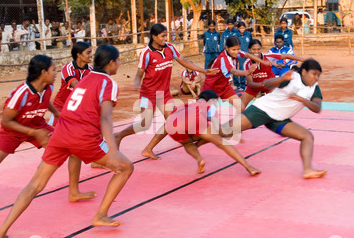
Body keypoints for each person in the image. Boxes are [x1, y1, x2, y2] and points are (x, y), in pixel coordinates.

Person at [0, 45, 134, 238]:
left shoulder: (85, 79)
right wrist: (112, 148)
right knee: (126, 167)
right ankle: (100, 214)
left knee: (35, 184)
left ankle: (1, 231)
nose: (119, 64)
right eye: (118, 61)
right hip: (83, 137)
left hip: (61, 134)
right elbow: (105, 118)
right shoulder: (107, 83)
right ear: (111, 63)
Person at [0, 55, 59, 221]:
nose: (56, 73)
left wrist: (57, 113)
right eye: (53, 69)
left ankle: (73, 191)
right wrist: (33, 133)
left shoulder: (48, 87)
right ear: (43, 72)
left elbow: (45, 100)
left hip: (37, 125)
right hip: (12, 131)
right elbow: (6, 121)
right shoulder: (20, 94)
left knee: (66, 147)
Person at [114, 23, 218, 160]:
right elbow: (139, 73)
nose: (165, 38)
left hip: (164, 93)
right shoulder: (146, 53)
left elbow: (184, 61)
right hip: (148, 93)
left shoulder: (170, 48)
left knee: (172, 122)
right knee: (144, 124)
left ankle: (148, 149)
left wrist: (204, 71)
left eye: (166, 35)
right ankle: (119, 135)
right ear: (154, 37)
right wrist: (136, 84)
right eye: (162, 36)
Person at [220, 59, 327, 180]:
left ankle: (308, 170)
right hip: (262, 110)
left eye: (318, 75)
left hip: (279, 119)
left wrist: (302, 99)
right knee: (224, 131)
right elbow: (267, 84)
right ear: (304, 71)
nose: (316, 78)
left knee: (307, 136)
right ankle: (198, 137)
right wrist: (281, 79)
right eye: (314, 74)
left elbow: (317, 108)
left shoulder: (314, 88)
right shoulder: (292, 78)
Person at [165, 90, 261, 176]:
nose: (217, 104)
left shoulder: (187, 104)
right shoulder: (209, 106)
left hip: (171, 124)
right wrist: (230, 134)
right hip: (193, 118)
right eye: (217, 102)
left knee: (187, 143)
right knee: (221, 142)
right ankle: (249, 167)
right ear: (212, 100)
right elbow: (218, 129)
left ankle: (199, 159)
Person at [50, 41, 97, 201]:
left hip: (76, 112)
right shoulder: (68, 69)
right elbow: (78, 87)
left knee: (73, 151)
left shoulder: (90, 70)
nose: (91, 55)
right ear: (79, 55)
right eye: (89, 52)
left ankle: (73, 190)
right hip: (60, 110)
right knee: (50, 145)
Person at [201, 36, 272, 113]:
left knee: (240, 107)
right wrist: (248, 72)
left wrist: (262, 62)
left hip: (224, 86)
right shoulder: (224, 58)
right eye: (233, 50)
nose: (236, 52)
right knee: (208, 112)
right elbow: (234, 72)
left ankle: (236, 124)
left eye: (238, 49)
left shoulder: (235, 53)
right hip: (212, 87)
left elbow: (247, 55)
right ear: (227, 48)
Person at [234, 21, 253, 90]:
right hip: (240, 55)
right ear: (238, 28)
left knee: (249, 69)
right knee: (242, 68)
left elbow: (251, 43)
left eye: (243, 28)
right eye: (240, 28)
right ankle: (242, 84)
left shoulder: (248, 34)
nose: (242, 30)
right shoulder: (236, 35)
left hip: (248, 54)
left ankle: (249, 84)